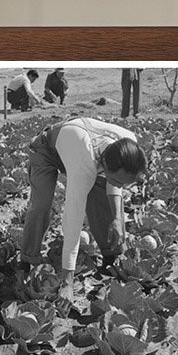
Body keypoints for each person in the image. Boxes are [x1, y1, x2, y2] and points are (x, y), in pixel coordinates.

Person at [22, 117, 148, 299]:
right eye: (119, 181)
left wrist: (118, 218)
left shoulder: (129, 145)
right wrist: (67, 278)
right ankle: (27, 260)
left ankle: (111, 255)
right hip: (47, 150)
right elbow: (73, 218)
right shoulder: (84, 165)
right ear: (105, 166)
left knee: (103, 197)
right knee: (40, 205)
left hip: (81, 148)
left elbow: (115, 185)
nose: (122, 186)